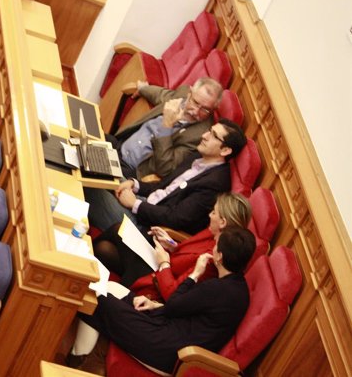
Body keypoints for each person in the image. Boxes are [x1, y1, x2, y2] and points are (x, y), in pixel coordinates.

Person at [68, 226, 256, 375]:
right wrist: (155, 305)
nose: (213, 246)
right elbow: (189, 311)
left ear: (220, 256)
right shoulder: (239, 289)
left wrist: (195, 274)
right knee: (111, 288)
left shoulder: (216, 288)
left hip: (166, 349)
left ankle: (75, 361)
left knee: (98, 298)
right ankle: (85, 357)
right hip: (170, 329)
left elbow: (176, 304)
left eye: (216, 244)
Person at [85, 119, 247, 235]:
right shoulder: (196, 156)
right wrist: (133, 185)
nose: (204, 135)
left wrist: (134, 204)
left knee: (89, 187)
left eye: (213, 135)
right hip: (144, 201)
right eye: (209, 130)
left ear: (225, 150)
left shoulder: (215, 184)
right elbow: (162, 186)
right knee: (97, 166)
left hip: (145, 225)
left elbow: (175, 218)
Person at [94, 192, 252, 297]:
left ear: (223, 222)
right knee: (107, 245)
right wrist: (171, 244)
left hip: (157, 283)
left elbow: (174, 292)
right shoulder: (213, 232)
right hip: (160, 264)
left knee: (112, 237)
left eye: (214, 213)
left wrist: (164, 262)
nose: (210, 215)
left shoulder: (213, 257)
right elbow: (186, 252)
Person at [110, 77, 223, 180]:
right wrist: (143, 88)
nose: (196, 111)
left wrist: (167, 127)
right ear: (189, 93)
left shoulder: (200, 136)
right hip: (121, 144)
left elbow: (165, 168)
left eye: (206, 110)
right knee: (92, 138)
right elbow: (161, 95)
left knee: (95, 168)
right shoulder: (181, 95)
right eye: (195, 102)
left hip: (132, 169)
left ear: (214, 109)